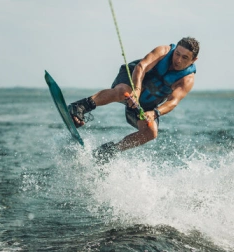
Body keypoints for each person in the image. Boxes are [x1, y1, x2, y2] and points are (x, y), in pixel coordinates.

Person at [68, 37, 200, 163]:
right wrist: (136, 90)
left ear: (194, 60)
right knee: (124, 92)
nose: (178, 60)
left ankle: (110, 151)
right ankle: (80, 107)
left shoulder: (187, 79)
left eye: (185, 58)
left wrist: (155, 113)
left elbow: (173, 101)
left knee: (151, 132)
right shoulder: (163, 51)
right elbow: (141, 67)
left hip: (147, 101)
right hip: (132, 77)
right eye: (177, 54)